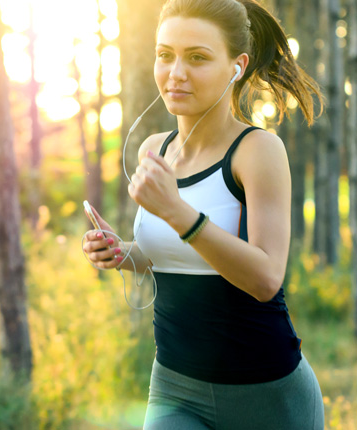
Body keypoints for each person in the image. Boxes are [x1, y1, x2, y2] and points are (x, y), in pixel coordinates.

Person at [82, 0, 325, 428]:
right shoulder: (153, 149)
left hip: (267, 394)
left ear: (237, 65)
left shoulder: (257, 151)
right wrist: (123, 252)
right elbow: (175, 255)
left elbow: (266, 278)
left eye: (197, 57)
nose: (176, 73)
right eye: (165, 55)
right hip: (175, 387)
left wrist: (177, 212)